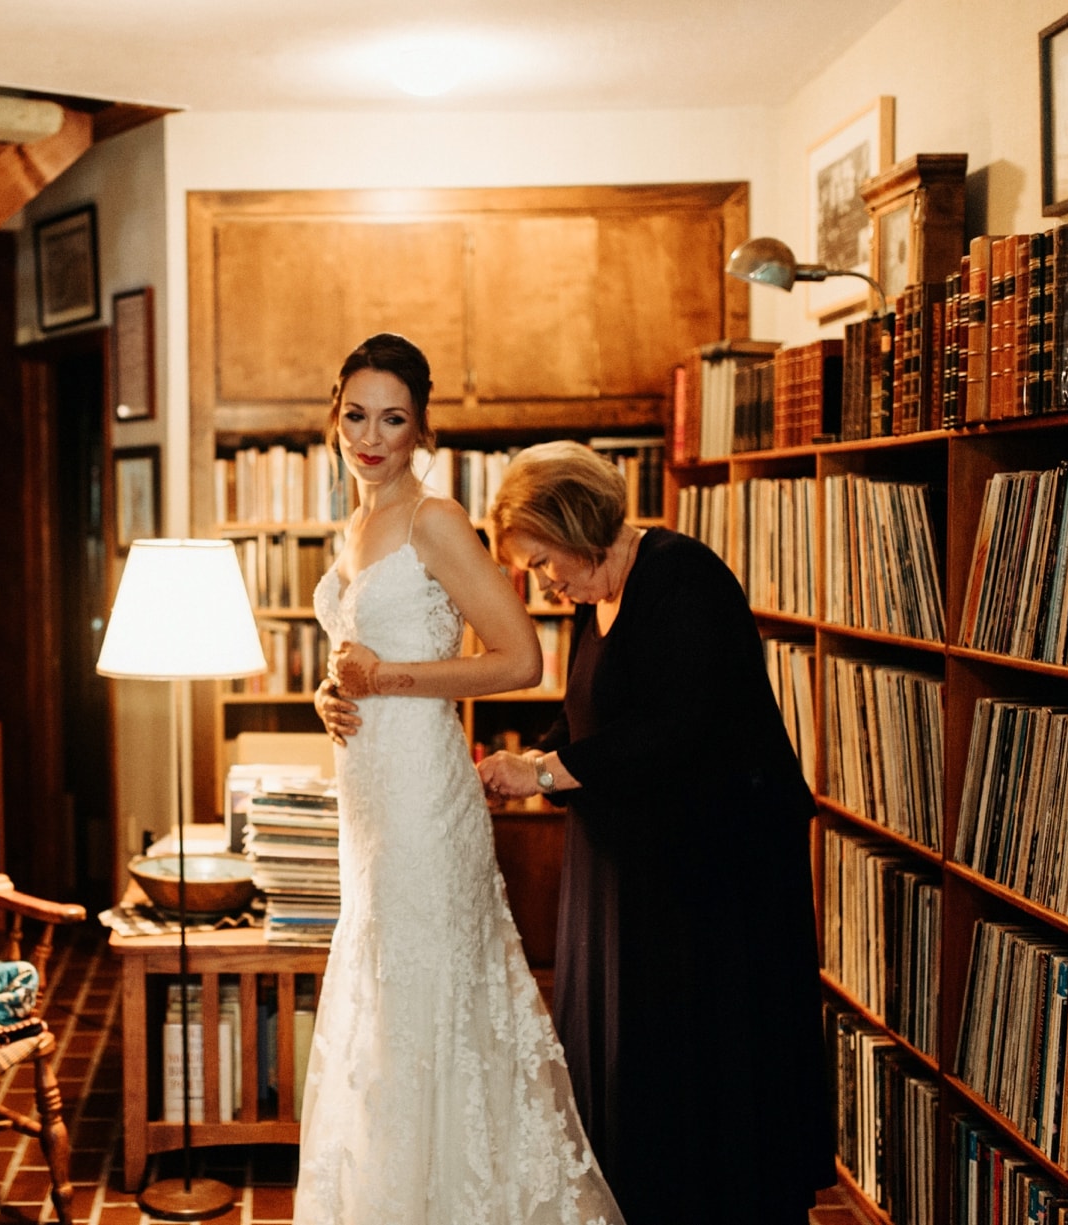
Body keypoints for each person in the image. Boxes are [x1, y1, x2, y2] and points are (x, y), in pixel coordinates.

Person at [296, 334, 622, 1225]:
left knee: (429, 1000)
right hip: (367, 796)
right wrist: (332, 690)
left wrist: (388, 679)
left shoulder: (434, 519)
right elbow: (358, 652)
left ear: (419, 429)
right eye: (356, 415)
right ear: (336, 418)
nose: (370, 436)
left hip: (420, 796)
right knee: (387, 1002)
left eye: (391, 419)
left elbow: (517, 657)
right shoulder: (355, 523)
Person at [463, 441, 834, 1225]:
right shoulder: (592, 594)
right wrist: (536, 754)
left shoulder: (682, 576)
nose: (542, 582)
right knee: (633, 1072)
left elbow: (676, 728)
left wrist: (547, 774)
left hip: (715, 877)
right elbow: (597, 711)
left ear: (574, 524)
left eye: (540, 562)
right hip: (632, 864)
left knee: (705, 1077)